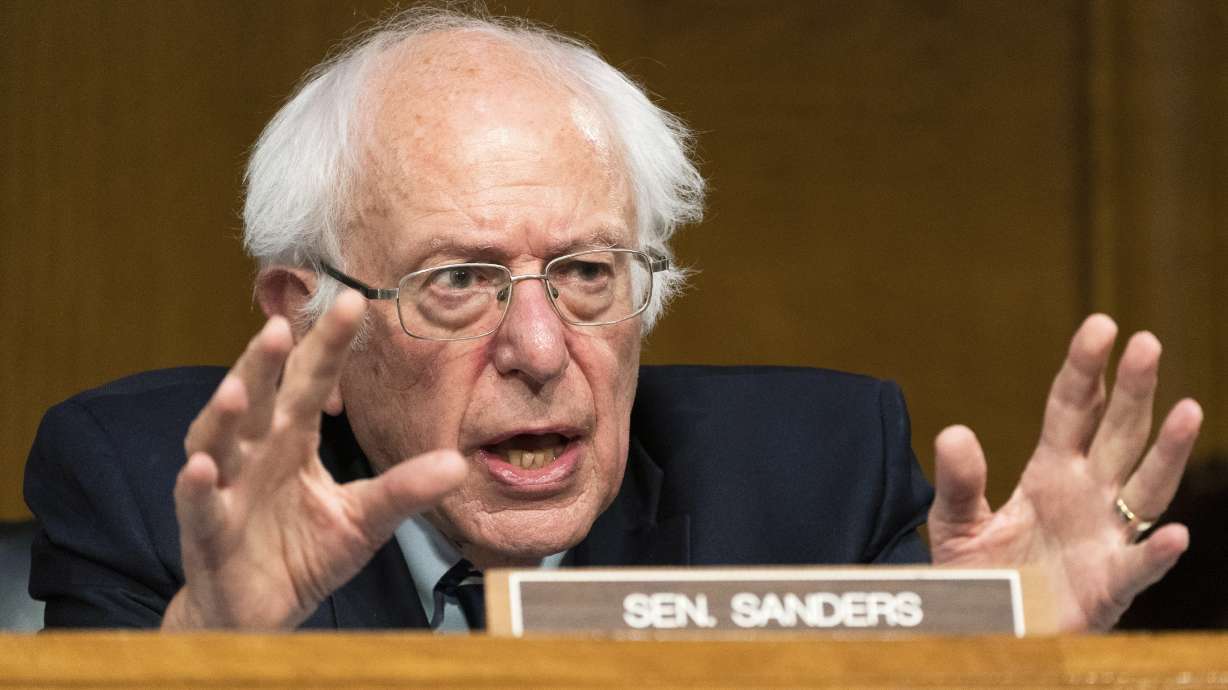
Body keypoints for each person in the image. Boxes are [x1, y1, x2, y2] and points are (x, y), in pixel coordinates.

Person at [25, 7, 1202, 632]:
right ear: (309, 328)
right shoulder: (154, 495)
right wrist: (206, 661)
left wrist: (1003, 659)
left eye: (585, 271)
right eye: (457, 281)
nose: (541, 351)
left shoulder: (818, 483)